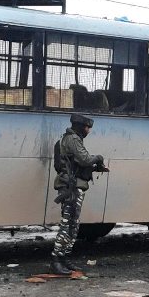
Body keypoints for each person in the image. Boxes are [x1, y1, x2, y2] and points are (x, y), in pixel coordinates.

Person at [50, 113, 108, 275]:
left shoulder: (69, 139)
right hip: (71, 187)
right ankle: (56, 261)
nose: (88, 130)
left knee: (73, 225)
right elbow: (85, 160)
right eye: (87, 127)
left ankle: (64, 259)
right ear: (79, 126)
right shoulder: (73, 139)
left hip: (73, 186)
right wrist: (98, 158)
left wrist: (96, 167)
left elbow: (76, 163)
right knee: (67, 224)